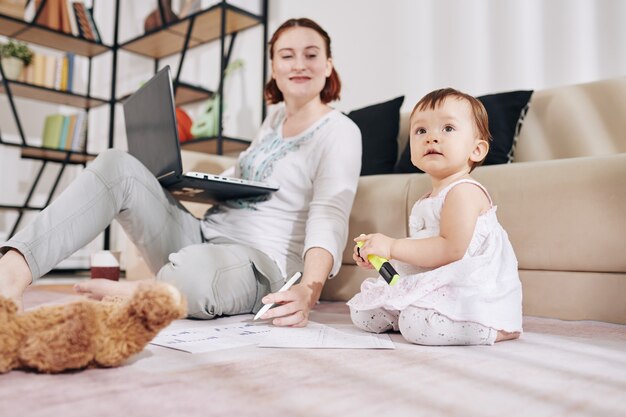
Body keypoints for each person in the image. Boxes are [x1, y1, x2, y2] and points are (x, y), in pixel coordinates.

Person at [0, 18, 362, 328]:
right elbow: (245, 177)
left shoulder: (340, 130)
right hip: (201, 238)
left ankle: (149, 294)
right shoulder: (272, 122)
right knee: (117, 165)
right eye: (287, 55)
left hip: (259, 262)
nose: (299, 64)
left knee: (195, 274)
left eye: (311, 55)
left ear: (328, 65)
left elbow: (330, 211)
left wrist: (310, 289)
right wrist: (185, 179)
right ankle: (12, 271)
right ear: (273, 67)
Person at [347, 88, 522, 345]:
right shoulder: (426, 198)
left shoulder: (464, 191)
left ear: (477, 150)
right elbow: (423, 250)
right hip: (436, 278)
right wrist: (380, 254)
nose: (431, 138)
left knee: (418, 325)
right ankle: (408, 312)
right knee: (364, 313)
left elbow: (450, 249)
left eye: (448, 128)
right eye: (421, 131)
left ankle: (494, 328)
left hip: (470, 291)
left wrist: (393, 246)